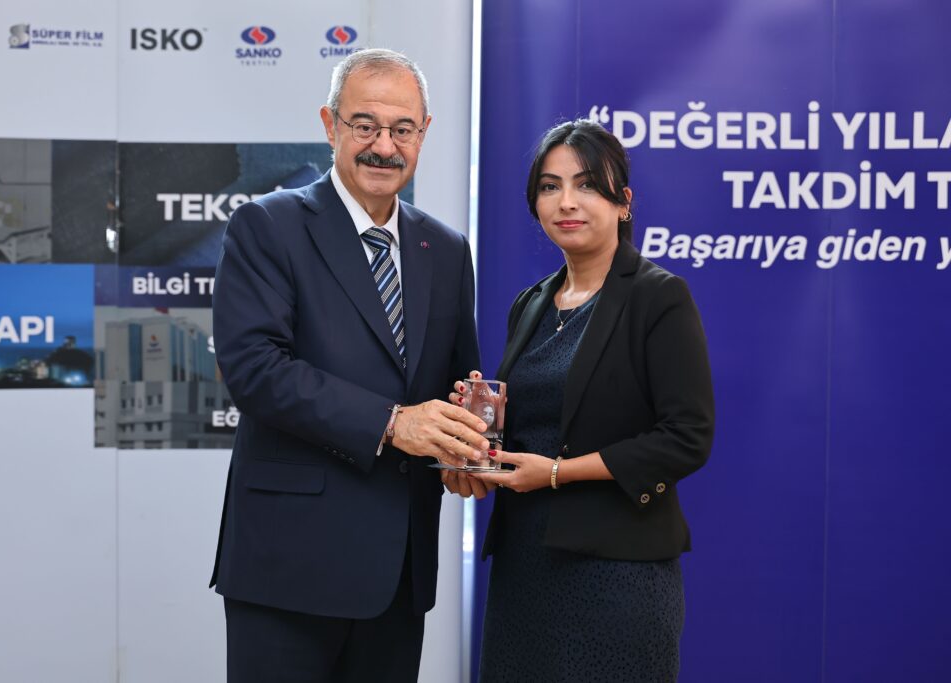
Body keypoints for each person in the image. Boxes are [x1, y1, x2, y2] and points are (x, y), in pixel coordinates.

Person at [210, 48, 489, 683]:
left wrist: (465, 447)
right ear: (329, 125)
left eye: (402, 128)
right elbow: (254, 369)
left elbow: (455, 382)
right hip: (289, 566)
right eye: (365, 125)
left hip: (398, 571)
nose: (384, 147)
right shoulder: (267, 226)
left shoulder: (446, 250)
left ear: (424, 133)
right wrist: (393, 423)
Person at [448, 119, 714, 681]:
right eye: (550, 186)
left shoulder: (659, 297)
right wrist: (473, 450)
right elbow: (531, 431)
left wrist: (556, 473)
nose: (566, 201)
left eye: (587, 184)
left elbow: (686, 438)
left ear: (624, 202)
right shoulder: (531, 304)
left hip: (618, 574)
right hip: (525, 570)